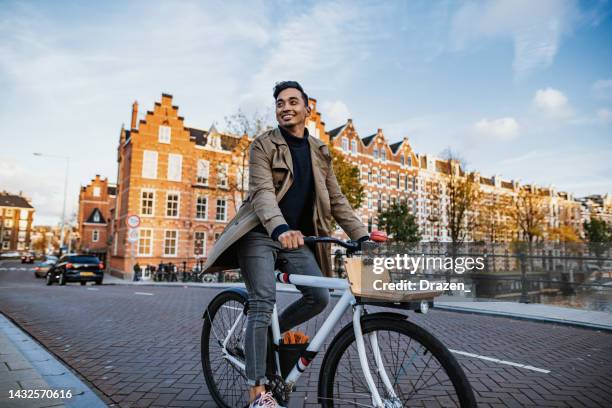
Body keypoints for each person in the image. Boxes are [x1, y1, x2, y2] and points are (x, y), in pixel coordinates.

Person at [202, 81, 370, 407]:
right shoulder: (262, 146)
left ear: (308, 108)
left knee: (319, 297)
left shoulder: (320, 152)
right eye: (280, 102)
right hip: (261, 234)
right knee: (263, 302)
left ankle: (263, 337)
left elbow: (337, 201)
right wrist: (279, 228)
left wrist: (361, 235)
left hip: (295, 238)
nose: (285, 107)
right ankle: (257, 392)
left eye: (293, 101)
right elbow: (263, 194)